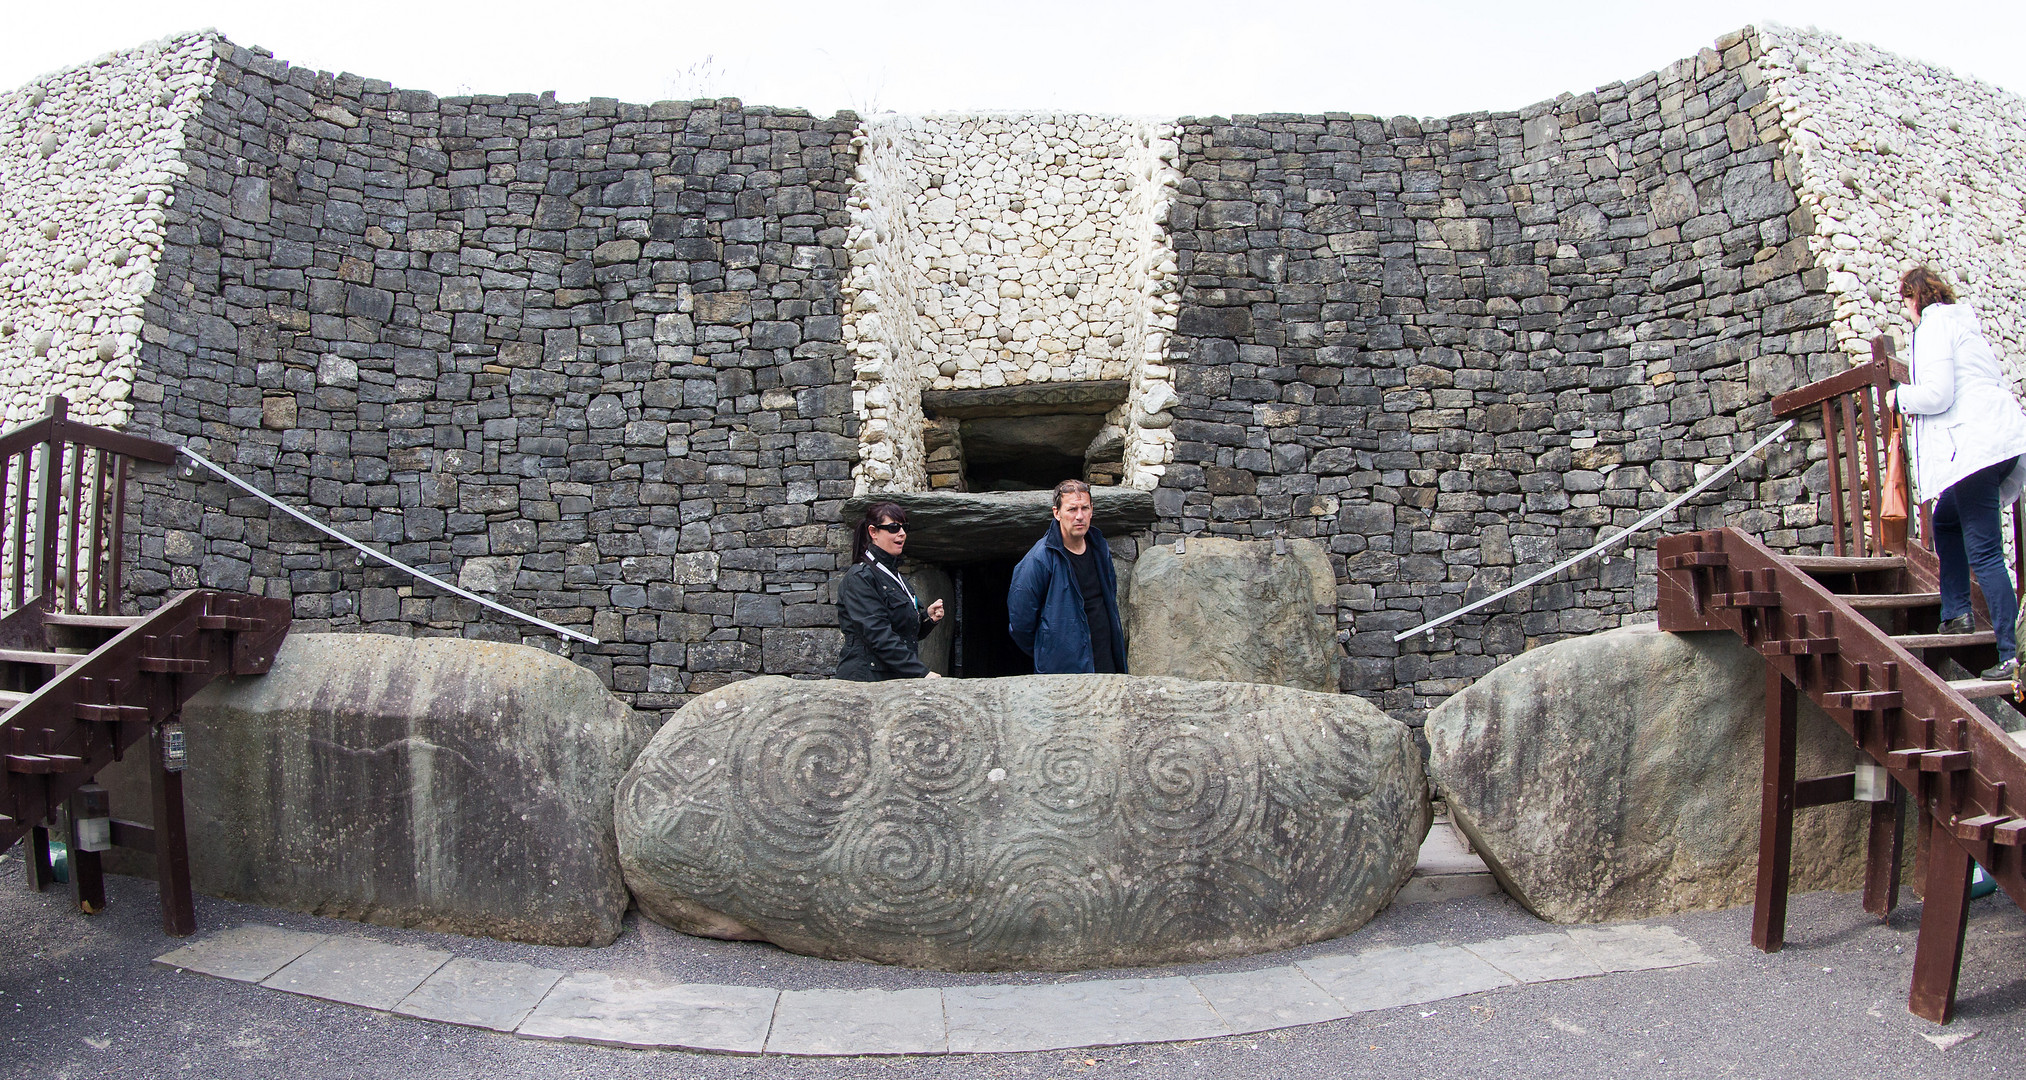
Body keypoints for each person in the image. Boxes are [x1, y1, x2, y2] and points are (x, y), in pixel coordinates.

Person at [1893, 266, 2026, 681]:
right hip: (1994, 443)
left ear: (1915, 297)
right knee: (1945, 520)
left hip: (1975, 450)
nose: (1907, 312)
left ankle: (2012, 657)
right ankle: (1957, 614)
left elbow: (1938, 393)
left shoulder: (1933, 328)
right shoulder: (1964, 326)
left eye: (1905, 302)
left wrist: (1899, 397)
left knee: (1986, 554)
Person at [1007, 480, 1127, 674]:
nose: (1079, 516)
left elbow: (1110, 600)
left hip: (1106, 662)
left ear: (1092, 510)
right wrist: (1049, 653)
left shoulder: (1099, 547)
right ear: (1057, 513)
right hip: (1063, 672)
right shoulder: (1039, 559)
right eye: (1072, 509)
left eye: (1084, 508)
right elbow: (1020, 624)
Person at [834, 502, 944, 680]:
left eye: (904, 527)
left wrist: (927, 619)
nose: (902, 533)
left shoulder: (894, 576)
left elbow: (906, 634)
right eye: (893, 527)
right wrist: (921, 673)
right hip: (866, 681)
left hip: (892, 678)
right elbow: (878, 635)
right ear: (873, 532)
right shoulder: (860, 578)